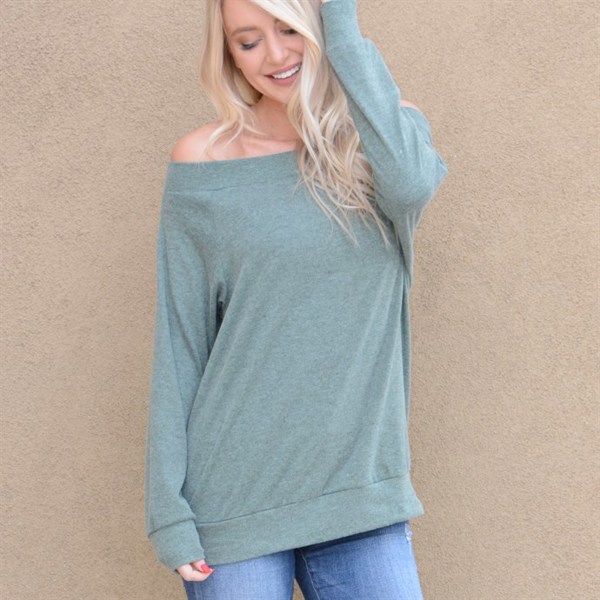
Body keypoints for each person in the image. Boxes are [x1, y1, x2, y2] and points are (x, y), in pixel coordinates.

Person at [144, 0, 448, 598]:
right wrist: (168, 511)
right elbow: (180, 341)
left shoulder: (384, 137)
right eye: (248, 40)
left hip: (360, 494)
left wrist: (343, 31)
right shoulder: (204, 161)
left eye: (290, 29)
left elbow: (412, 186)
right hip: (233, 502)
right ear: (228, 54)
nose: (275, 55)